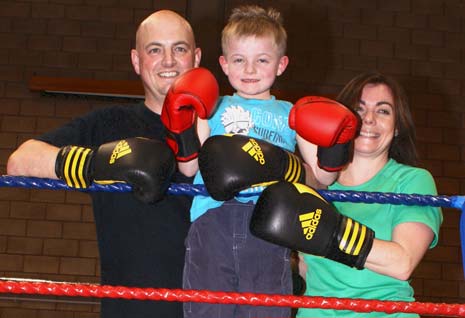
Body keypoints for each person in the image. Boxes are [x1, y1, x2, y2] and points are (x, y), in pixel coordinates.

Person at [7, 10, 202, 318]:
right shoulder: (109, 124)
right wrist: (97, 164)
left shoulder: (223, 125)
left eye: (179, 48)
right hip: (128, 308)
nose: (168, 61)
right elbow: (20, 160)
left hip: (216, 305)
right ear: (137, 61)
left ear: (196, 57)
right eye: (155, 50)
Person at [179, 5, 359, 318]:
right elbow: (189, 167)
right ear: (223, 64)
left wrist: (337, 145)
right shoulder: (210, 106)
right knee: (207, 311)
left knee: (265, 312)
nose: (249, 69)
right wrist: (182, 128)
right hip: (212, 220)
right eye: (239, 60)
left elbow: (323, 177)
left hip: (268, 224)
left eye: (261, 60)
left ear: (281, 64)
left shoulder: (293, 114)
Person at [250, 71, 443, 317]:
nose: (369, 119)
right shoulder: (317, 181)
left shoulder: (413, 180)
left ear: (397, 127)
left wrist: (332, 233)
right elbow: (307, 269)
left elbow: (402, 263)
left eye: (383, 110)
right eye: (359, 109)